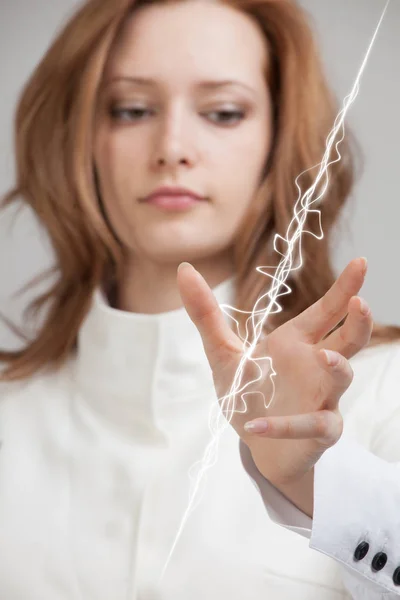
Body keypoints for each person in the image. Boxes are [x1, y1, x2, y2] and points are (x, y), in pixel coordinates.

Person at [0, 0, 399, 598]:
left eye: (223, 112)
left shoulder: (384, 390)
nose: (173, 147)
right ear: (76, 138)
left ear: (278, 140)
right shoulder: (12, 415)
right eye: (131, 110)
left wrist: (313, 484)